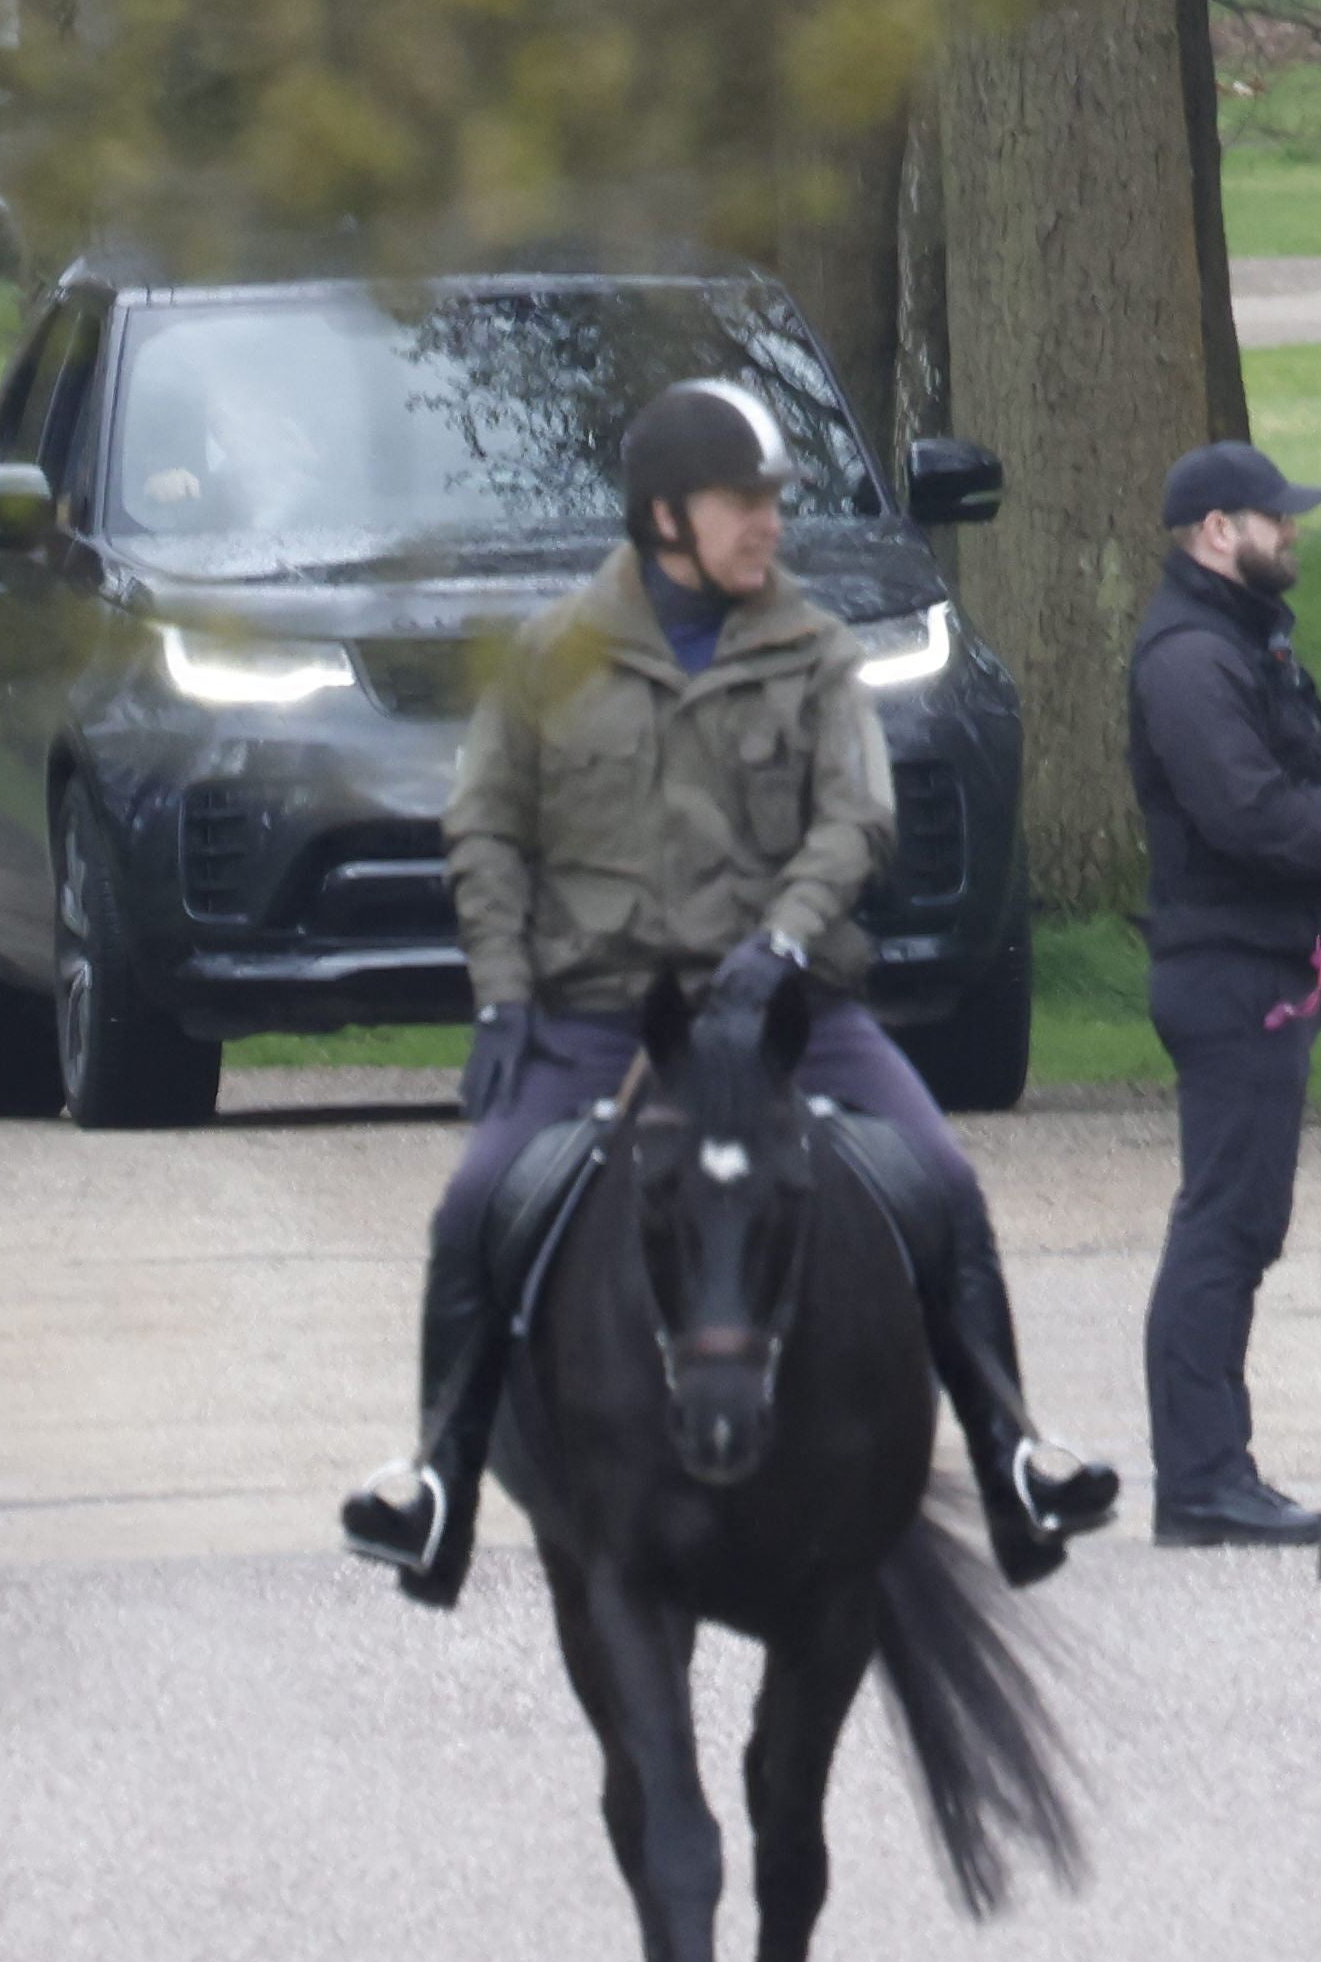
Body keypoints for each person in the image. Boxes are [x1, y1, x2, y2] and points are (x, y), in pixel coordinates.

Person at [338, 377, 1113, 1606]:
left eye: (772, 502)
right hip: (599, 1017)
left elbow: (857, 814)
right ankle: (436, 1482)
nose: (768, 525)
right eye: (740, 503)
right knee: (474, 1205)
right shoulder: (550, 658)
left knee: (947, 1183)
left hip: (788, 1017)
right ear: (663, 518)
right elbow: (483, 831)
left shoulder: (814, 650)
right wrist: (502, 999)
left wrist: (787, 943)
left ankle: (1015, 1455)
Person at [1123, 436, 1321, 1546]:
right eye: (1275, 517)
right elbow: (1243, 812)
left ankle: (1212, 1470)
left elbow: (1287, 773)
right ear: (1217, 533)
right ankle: (1201, 1478)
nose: (1292, 530)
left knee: (1239, 1218)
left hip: (1264, 966)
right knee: (1226, 1221)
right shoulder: (1189, 658)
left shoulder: (1243, 639)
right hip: (1229, 970)